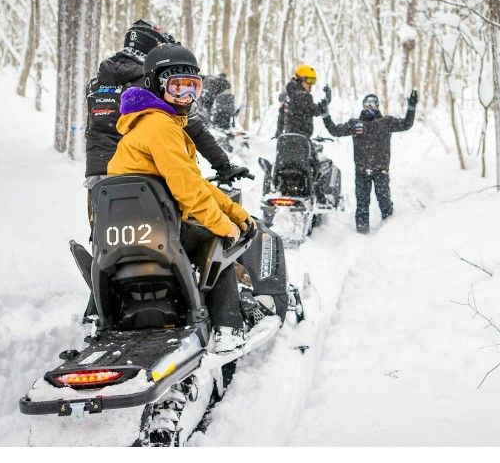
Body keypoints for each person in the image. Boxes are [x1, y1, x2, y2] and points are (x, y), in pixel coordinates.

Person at [107, 43, 257, 354]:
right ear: (155, 86)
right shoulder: (162, 127)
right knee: (217, 241)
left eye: (193, 88)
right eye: (177, 87)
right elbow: (189, 191)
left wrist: (233, 211)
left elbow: (192, 182)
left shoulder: (142, 125)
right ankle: (227, 329)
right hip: (161, 232)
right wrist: (226, 226)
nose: (186, 98)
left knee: (215, 226)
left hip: (127, 236)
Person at [84, 20, 248, 203]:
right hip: (140, 177)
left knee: (105, 229)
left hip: (97, 176)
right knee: (168, 229)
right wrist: (223, 164)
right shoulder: (151, 83)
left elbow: (93, 129)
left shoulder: (95, 83)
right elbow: (192, 126)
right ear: (152, 44)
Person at [320, 90, 418, 233]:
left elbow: (406, 124)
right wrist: (325, 115)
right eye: (367, 103)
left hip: (381, 171)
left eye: (373, 103)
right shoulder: (356, 124)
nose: (370, 106)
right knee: (362, 205)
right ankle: (361, 233)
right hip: (362, 172)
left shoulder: (386, 122)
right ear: (363, 106)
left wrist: (411, 107)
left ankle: (390, 231)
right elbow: (335, 131)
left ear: (377, 106)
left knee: (385, 203)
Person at [283, 64, 330, 137]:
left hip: (287, 137)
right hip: (300, 140)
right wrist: (327, 100)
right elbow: (316, 111)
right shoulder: (303, 96)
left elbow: (281, 113)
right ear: (300, 79)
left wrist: (279, 132)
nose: (311, 84)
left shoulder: (288, 94)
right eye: (308, 80)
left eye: (313, 81)